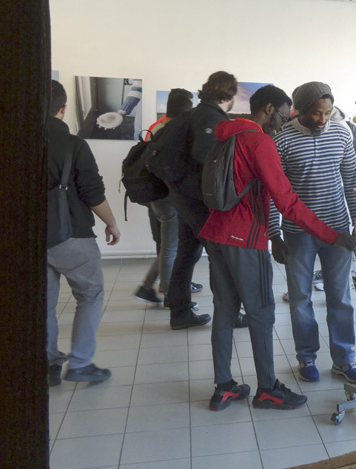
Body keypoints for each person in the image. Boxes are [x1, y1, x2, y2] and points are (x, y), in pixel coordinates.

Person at [200, 85, 356, 411]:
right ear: (269, 110)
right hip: (245, 238)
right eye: (283, 116)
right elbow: (286, 201)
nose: (284, 123)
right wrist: (330, 235)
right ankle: (268, 389)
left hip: (216, 233)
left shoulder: (228, 135)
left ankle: (224, 387)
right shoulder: (260, 142)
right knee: (261, 314)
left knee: (225, 311)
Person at [269, 81, 356, 385]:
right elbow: (273, 192)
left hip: (338, 231)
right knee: (300, 298)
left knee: (341, 298)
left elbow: (350, 180)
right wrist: (274, 235)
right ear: (299, 110)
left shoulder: (342, 133)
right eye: (315, 113)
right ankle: (307, 357)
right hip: (298, 233)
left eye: (327, 112)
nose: (322, 119)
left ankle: (344, 359)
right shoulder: (282, 140)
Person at [46, 80, 121, 386]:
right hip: (72, 233)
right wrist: (111, 222)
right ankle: (79, 364)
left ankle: (47, 364)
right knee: (90, 295)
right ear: (63, 109)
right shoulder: (73, 144)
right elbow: (92, 192)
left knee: (43, 304)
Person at [165, 71, 237, 330]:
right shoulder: (211, 116)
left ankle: (180, 312)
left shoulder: (196, 113)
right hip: (199, 199)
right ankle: (229, 315)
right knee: (220, 255)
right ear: (229, 93)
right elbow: (205, 154)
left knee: (187, 253)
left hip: (184, 196)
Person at [135, 89, 196, 307]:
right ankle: (170, 294)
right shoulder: (172, 132)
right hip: (167, 196)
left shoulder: (156, 127)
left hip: (155, 194)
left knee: (168, 245)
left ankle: (152, 286)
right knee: (170, 247)